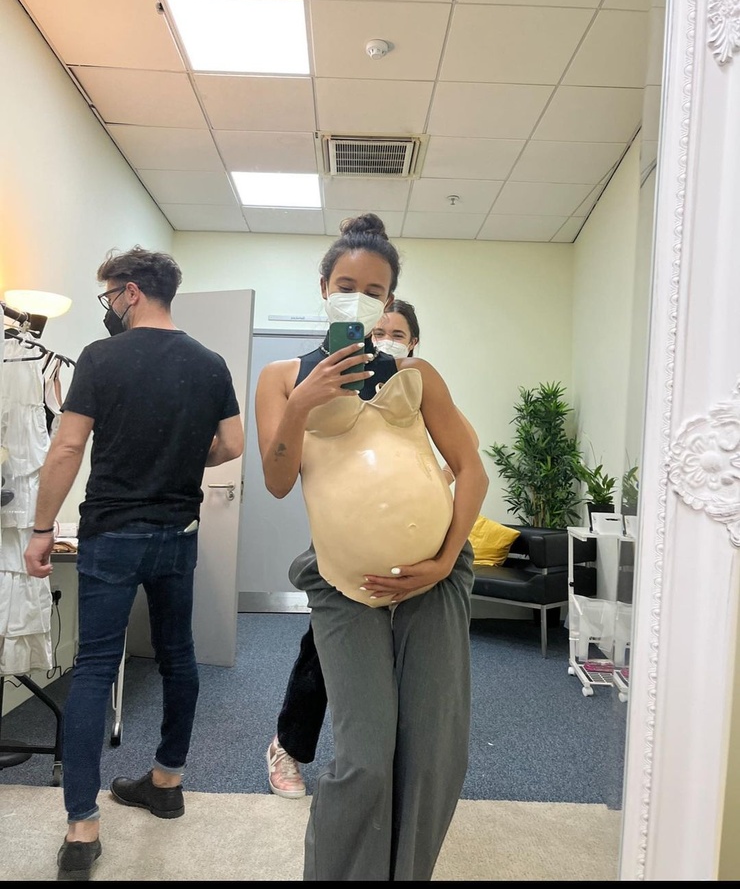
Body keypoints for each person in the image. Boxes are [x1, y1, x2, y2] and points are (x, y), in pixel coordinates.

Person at [255, 213, 488, 881]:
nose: (359, 298)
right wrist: (301, 404)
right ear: (324, 287)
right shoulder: (280, 376)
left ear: (390, 300)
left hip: (434, 576)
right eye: (346, 285)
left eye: (375, 290)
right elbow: (277, 480)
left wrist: (443, 560)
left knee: (435, 753)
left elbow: (472, 469)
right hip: (343, 580)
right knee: (364, 756)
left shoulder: (418, 374)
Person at [23, 246, 244, 881]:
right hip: (177, 534)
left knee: (96, 666)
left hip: (113, 534)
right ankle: (167, 782)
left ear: (131, 292)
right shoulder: (210, 362)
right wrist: (185, 458)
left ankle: (82, 828)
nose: (109, 307)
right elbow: (230, 444)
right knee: (178, 656)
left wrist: (42, 529)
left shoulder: (101, 357)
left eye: (109, 296)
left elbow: (68, 446)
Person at [266, 297, 478, 800]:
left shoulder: (416, 381)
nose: (385, 339)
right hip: (345, 553)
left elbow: (466, 453)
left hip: (422, 561)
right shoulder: (313, 379)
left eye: (397, 333)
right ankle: (288, 745)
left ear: (413, 342)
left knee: (411, 687)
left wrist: (422, 489)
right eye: (378, 330)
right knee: (322, 659)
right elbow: (283, 474)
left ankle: (395, 775)